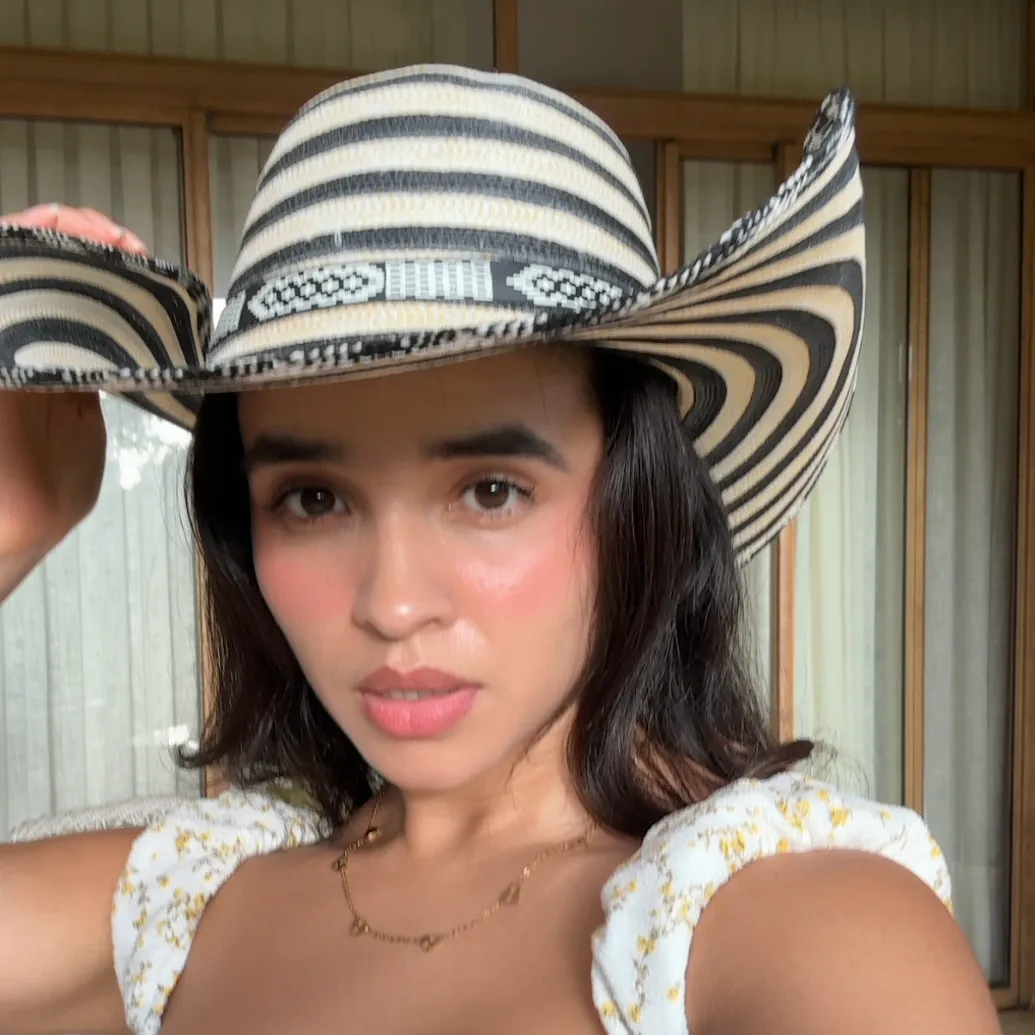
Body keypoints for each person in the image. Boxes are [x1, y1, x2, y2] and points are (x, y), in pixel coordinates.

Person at [0, 65, 997, 1035]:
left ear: (639, 505)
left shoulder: (785, 924)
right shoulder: (185, 906)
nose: (393, 605)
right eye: (313, 499)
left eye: (490, 491)